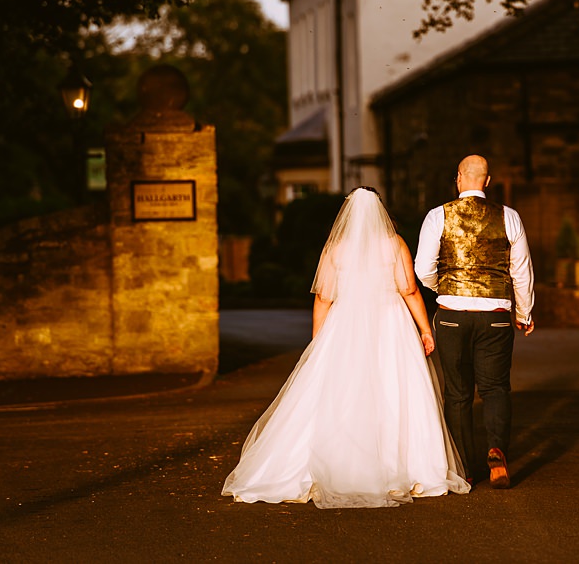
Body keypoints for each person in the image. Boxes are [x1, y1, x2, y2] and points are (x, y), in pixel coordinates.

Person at [221, 187, 470, 508]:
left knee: (347, 392)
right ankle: (404, 467)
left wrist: (318, 342)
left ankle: (343, 461)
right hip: (390, 324)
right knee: (394, 391)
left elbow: (323, 297)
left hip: (346, 322)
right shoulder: (393, 244)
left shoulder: (335, 249)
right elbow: (409, 289)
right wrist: (425, 328)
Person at [415, 155, 535, 489]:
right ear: (487, 180)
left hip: (452, 313)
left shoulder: (438, 215)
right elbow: (521, 270)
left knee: (457, 393)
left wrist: (445, 288)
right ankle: (496, 451)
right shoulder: (508, 217)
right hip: (495, 315)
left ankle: (463, 468)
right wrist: (523, 313)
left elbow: (423, 267)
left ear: (458, 178)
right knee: (496, 388)